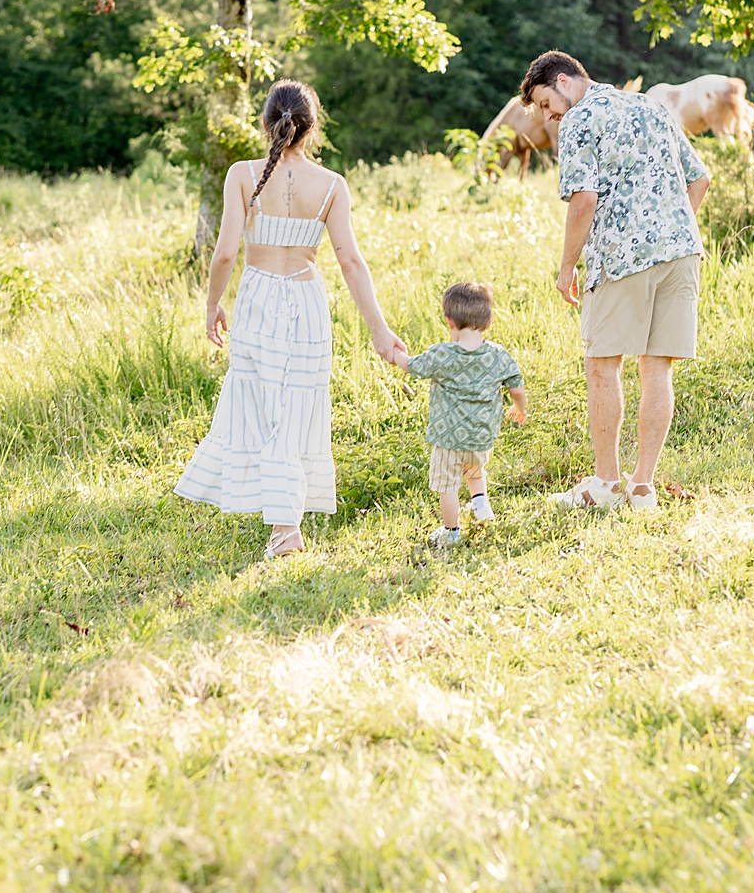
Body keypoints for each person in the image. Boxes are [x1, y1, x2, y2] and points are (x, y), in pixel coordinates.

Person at [176, 81, 403, 559]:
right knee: (297, 412)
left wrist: (212, 304)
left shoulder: (243, 174)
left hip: (258, 298)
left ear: (265, 124)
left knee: (262, 408)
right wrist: (379, 331)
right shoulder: (331, 185)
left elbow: (224, 254)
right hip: (306, 302)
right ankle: (285, 525)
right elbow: (351, 262)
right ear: (312, 127)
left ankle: (285, 530)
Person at [519, 51, 710, 510]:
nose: (548, 115)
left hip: (622, 257)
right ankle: (642, 487)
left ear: (563, 81)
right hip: (681, 251)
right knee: (656, 369)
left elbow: (583, 201)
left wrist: (567, 267)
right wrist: (667, 230)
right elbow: (700, 179)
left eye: (546, 103)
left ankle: (605, 485)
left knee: (602, 364)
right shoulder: (649, 104)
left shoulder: (580, 118)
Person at [388, 281, 526, 549]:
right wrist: (519, 407)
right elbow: (516, 387)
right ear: (489, 322)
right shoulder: (498, 355)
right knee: (475, 469)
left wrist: (395, 355)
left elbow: (413, 366)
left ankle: (451, 532)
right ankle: (481, 504)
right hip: (482, 435)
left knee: (447, 485)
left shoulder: (442, 354)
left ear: (449, 321)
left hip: (448, 437)